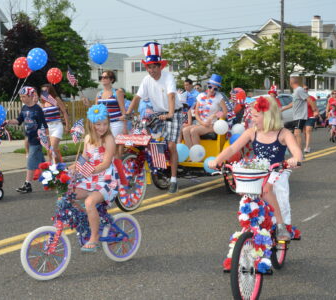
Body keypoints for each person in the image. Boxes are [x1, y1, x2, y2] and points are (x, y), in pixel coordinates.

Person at [208, 96, 303, 240]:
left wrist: (295, 159)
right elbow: (233, 148)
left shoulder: (283, 133)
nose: (252, 119)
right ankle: (253, 223)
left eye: (256, 116)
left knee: (267, 189)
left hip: (278, 171)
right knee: (248, 194)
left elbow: (297, 151)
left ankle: (281, 225)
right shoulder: (252, 132)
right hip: (260, 171)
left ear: (268, 116)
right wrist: (217, 160)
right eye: (251, 115)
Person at [124, 42, 183, 194]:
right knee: (144, 138)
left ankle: (174, 180)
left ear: (160, 67)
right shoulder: (146, 80)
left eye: (154, 67)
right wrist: (128, 113)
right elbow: (137, 97)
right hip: (157, 113)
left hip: (174, 112)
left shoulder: (168, 76)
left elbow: (171, 95)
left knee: (171, 145)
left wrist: (170, 114)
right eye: (148, 67)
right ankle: (157, 166)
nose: (151, 70)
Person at [71, 104, 118, 252]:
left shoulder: (109, 139)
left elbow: (106, 163)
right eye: (98, 124)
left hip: (106, 180)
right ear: (91, 124)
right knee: (68, 194)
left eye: (105, 124)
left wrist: (89, 171)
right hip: (90, 179)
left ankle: (94, 237)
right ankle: (89, 217)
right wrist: (71, 168)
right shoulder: (87, 139)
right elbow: (84, 158)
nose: (102, 127)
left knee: (89, 202)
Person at [6, 87, 48, 193]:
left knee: (30, 162)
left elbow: (44, 125)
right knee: (42, 163)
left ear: (30, 96)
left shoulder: (37, 109)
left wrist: (45, 138)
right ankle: (53, 179)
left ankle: (27, 185)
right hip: (29, 138)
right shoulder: (24, 108)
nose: (21, 98)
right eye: (20, 97)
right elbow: (18, 120)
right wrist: (8, 121)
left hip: (37, 139)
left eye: (24, 96)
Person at [182, 74, 228, 148]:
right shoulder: (200, 96)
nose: (212, 90)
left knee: (194, 131)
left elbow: (225, 112)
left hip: (212, 125)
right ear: (208, 85)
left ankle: (198, 155)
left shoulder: (219, 97)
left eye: (215, 89)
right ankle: (190, 153)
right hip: (201, 123)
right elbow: (196, 113)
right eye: (210, 87)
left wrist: (215, 115)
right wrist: (202, 122)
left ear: (218, 89)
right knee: (185, 130)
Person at [281, 77, 318, 149]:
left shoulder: (299, 90)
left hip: (300, 116)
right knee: (295, 133)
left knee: (297, 133)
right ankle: (298, 151)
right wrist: (282, 109)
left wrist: (315, 110)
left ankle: (298, 154)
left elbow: (309, 99)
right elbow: (293, 103)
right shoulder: (295, 91)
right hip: (296, 116)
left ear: (291, 83)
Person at [39, 84, 70, 163]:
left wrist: (67, 126)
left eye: (46, 90)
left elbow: (64, 112)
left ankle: (61, 168)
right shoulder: (42, 102)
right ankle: (53, 167)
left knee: (52, 149)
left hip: (57, 126)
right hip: (47, 128)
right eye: (43, 91)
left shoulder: (56, 99)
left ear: (50, 91)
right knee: (49, 150)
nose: (44, 92)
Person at [303, 85, 319, 153]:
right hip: (303, 116)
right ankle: (307, 145)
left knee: (308, 130)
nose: (305, 90)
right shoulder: (300, 98)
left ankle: (307, 147)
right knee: (304, 132)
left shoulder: (312, 98)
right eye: (304, 89)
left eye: (306, 89)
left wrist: (316, 112)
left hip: (311, 116)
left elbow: (315, 107)